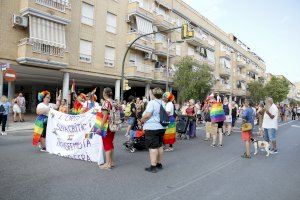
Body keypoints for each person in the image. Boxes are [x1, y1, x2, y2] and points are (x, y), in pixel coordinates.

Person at [141, 88, 166, 173]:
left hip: (152, 127)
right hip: (161, 127)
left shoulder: (152, 102)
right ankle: (159, 164)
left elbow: (148, 115)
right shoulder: (163, 102)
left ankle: (153, 166)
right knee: (159, 146)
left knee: (153, 147)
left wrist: (142, 120)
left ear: (153, 94)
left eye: (150, 93)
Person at [95, 87, 115, 170]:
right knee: (110, 142)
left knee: (107, 143)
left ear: (105, 93)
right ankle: (111, 161)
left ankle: (107, 164)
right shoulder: (114, 102)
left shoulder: (106, 103)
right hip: (113, 125)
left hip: (106, 126)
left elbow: (105, 116)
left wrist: (100, 127)